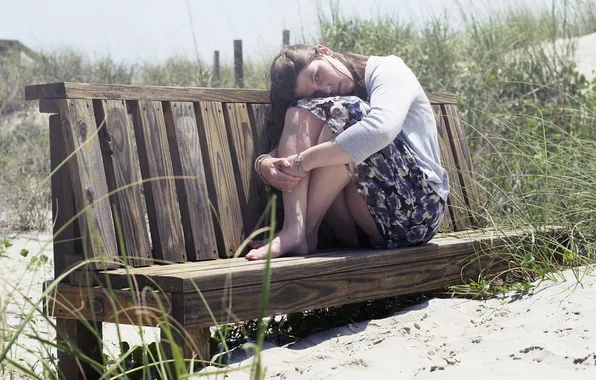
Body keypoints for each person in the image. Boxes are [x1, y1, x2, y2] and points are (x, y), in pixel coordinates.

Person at [245, 44, 449, 260]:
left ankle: (305, 231)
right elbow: (300, 143)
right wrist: (264, 162)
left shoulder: (389, 70)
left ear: (323, 51)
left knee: (352, 113)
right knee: (300, 110)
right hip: (360, 225)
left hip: (417, 213)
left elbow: (381, 129)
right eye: (316, 92)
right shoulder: (332, 104)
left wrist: (305, 161)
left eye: (317, 76)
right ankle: (294, 230)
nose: (326, 89)